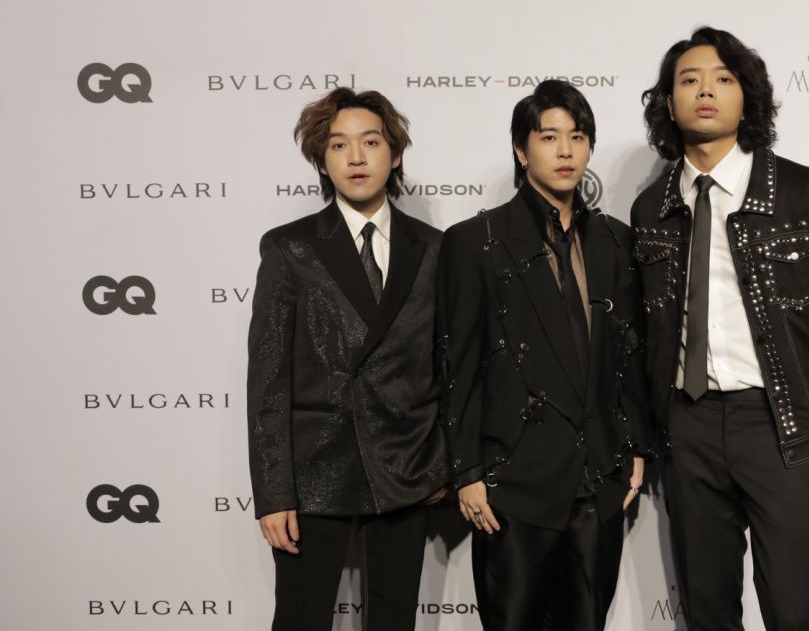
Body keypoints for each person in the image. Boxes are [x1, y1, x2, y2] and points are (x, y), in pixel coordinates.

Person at [631, 27, 809, 631]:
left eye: (723, 79)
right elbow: (646, 331)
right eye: (689, 80)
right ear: (668, 101)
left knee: (792, 606)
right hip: (688, 424)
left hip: (776, 422)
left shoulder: (804, 192)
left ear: (747, 96)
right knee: (707, 609)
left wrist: (803, 404)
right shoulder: (651, 208)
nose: (705, 90)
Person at [437, 79, 653, 631]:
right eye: (549, 137)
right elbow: (458, 363)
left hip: (599, 478)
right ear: (521, 149)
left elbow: (629, 352)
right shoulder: (475, 240)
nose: (565, 151)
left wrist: (635, 449)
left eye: (577, 137)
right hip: (513, 481)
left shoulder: (615, 241)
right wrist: (467, 471)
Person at [247, 87, 448, 631]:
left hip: (404, 467)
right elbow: (268, 381)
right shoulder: (290, 248)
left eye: (371, 142)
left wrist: (439, 462)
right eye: (339, 145)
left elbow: (447, 364)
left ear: (395, 154)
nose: (356, 157)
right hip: (314, 472)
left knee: (394, 622)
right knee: (300, 620)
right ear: (322, 160)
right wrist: (274, 494)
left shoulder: (433, 248)